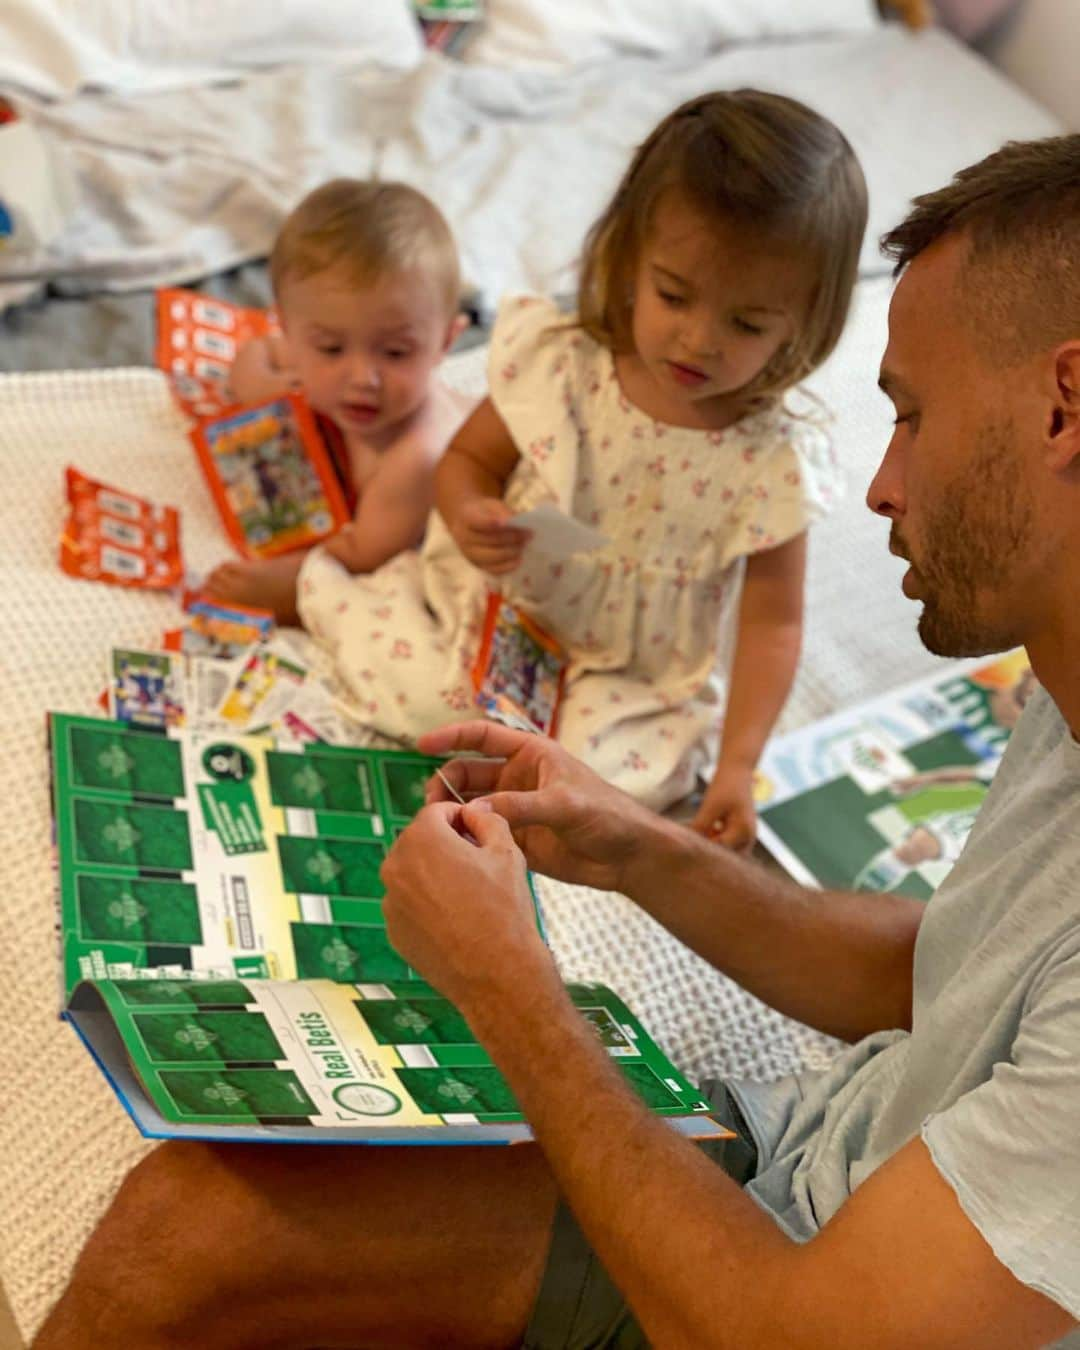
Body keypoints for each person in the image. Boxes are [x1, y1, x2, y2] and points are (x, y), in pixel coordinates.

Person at [32, 135, 1080, 1350]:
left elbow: (787, 1336)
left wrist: (511, 990)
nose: (886, 483)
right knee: (211, 1197)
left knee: (205, 1233)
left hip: (784, 1304)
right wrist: (638, 846)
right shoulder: (1061, 672)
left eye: (912, 413)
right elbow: (945, 975)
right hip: (812, 1168)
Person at [299, 90, 867, 847]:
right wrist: (469, 516)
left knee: (627, 783)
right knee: (428, 698)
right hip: (503, 605)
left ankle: (529, 768)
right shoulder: (565, 363)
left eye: (747, 324)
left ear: (807, 325)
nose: (698, 340)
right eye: (673, 295)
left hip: (631, 672)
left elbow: (774, 623)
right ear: (629, 261)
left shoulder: (774, 463)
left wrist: (737, 766)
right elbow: (468, 461)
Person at [205, 178, 473, 624]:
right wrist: (258, 387)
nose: (361, 378)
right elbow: (255, 356)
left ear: (446, 341)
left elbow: (361, 559)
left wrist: (279, 583)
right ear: (289, 328)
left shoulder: (415, 459)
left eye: (395, 353)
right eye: (331, 348)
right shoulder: (320, 363)